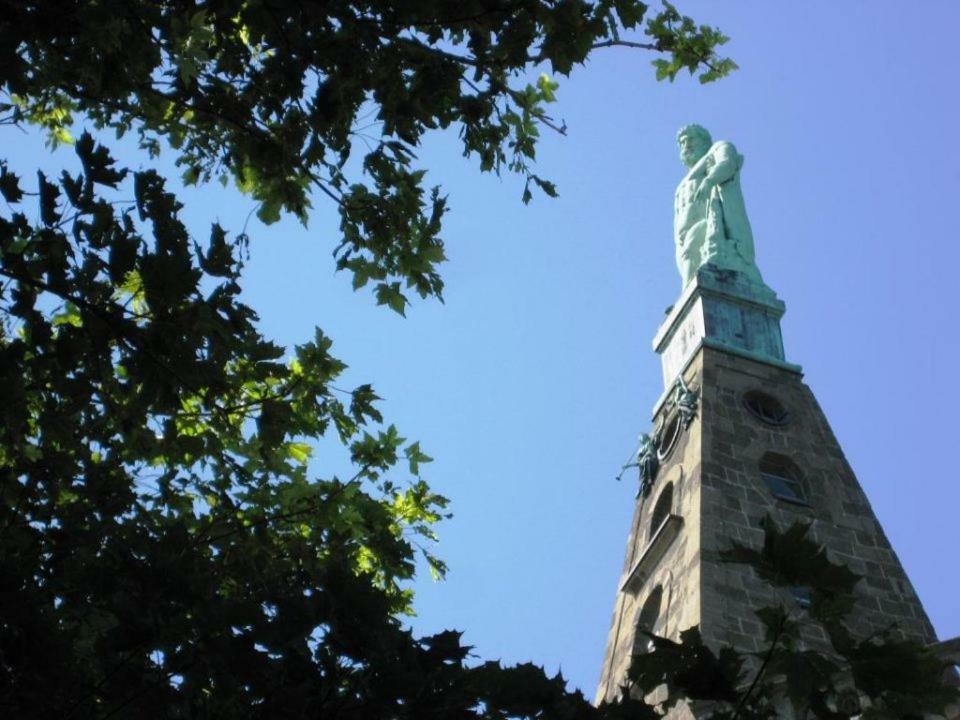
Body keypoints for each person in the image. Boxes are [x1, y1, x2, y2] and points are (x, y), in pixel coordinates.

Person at [673, 124, 763, 287]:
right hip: (683, 242)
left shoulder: (718, 149)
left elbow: (728, 163)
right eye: (682, 143)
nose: (686, 145)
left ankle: (688, 290)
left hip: (714, 226)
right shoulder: (681, 186)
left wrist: (709, 181)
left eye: (691, 139)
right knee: (689, 255)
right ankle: (687, 293)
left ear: (704, 142)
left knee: (692, 245)